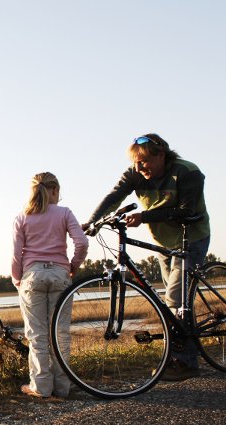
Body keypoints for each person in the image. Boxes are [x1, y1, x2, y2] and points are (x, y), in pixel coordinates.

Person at [84, 133, 210, 381]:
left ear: (161, 155)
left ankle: (184, 363)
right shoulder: (135, 173)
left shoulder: (187, 172)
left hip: (191, 237)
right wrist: (93, 220)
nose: (140, 168)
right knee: (175, 303)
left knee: (175, 298)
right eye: (137, 163)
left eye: (145, 162)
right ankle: (186, 354)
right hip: (163, 242)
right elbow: (114, 196)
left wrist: (144, 217)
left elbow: (187, 210)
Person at [12, 172, 88, 399]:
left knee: (37, 335)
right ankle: (62, 387)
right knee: (60, 333)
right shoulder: (64, 213)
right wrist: (73, 266)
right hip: (60, 275)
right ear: (55, 190)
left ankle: (41, 387)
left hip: (32, 276)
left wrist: (17, 278)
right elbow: (82, 242)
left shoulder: (22, 217)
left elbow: (17, 254)